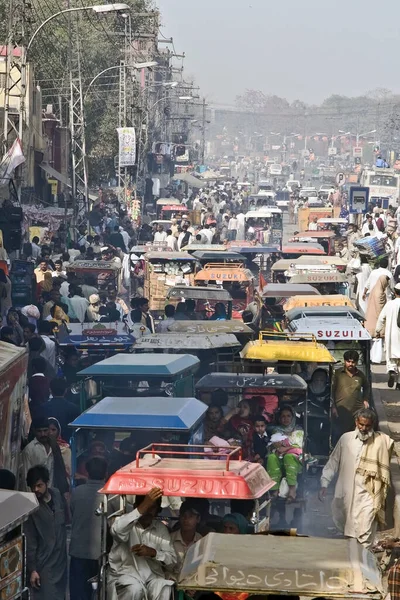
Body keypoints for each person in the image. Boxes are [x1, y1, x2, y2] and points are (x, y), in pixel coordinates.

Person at [319, 408, 393, 548]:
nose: (364, 428)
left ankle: (363, 561)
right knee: (350, 529)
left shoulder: (380, 441)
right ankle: (353, 559)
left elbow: (393, 448)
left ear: (372, 425)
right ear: (356, 422)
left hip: (368, 493)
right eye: (361, 424)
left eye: (368, 426)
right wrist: (325, 483)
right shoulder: (346, 439)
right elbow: (333, 462)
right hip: (347, 492)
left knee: (366, 527)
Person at [108, 487, 177, 600]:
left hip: (152, 577)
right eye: (146, 507)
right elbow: (117, 530)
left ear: (158, 510)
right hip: (125, 575)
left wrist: (153, 553)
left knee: (164, 587)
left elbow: (172, 561)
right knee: (134, 589)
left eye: (152, 508)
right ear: (137, 506)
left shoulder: (161, 529)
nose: (148, 511)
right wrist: (143, 506)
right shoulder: (124, 521)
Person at [24, 465, 68, 600]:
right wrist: (33, 570)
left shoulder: (57, 495)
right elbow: (30, 541)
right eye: (33, 487)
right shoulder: (31, 507)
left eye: (39, 485)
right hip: (44, 564)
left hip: (61, 562)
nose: (35, 490)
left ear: (47, 483)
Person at [69, 457, 108, 600]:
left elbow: (72, 512)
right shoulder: (111, 495)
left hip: (78, 553)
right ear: (106, 473)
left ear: (87, 472)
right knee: (101, 594)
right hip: (101, 555)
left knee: (79, 595)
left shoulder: (77, 492)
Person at [266, 405, 303, 502]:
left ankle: (292, 491)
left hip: (295, 461)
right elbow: (276, 445)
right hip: (279, 459)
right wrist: (286, 446)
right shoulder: (277, 430)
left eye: (288, 416)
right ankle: (274, 490)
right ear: (279, 418)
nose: (286, 419)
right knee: (271, 458)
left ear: (293, 417)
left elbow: (298, 445)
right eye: (283, 416)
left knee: (289, 456)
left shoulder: (298, 430)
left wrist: (285, 448)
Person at [332, 349, 369, 438]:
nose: (350, 364)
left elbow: (367, 387)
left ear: (356, 362)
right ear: (344, 361)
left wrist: (365, 399)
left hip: (357, 410)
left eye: (353, 362)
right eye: (348, 361)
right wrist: (333, 406)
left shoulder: (360, 375)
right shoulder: (338, 374)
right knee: (339, 434)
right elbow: (331, 391)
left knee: (356, 435)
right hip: (340, 410)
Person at [376, 282, 400, 388]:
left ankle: (391, 370)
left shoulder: (390, 304)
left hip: (392, 335)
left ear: (394, 292)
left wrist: (377, 331)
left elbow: (381, 318)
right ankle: (399, 383)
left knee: (391, 358)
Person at [169, 501, 202, 577]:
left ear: (198, 519)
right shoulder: (169, 539)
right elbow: (166, 569)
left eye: (190, 516)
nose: (186, 520)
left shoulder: (202, 541)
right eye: (183, 516)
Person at [48, 417, 72, 482]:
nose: (50, 433)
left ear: (58, 431)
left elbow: (69, 471)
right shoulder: (39, 447)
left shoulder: (65, 450)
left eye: (53, 430)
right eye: (48, 429)